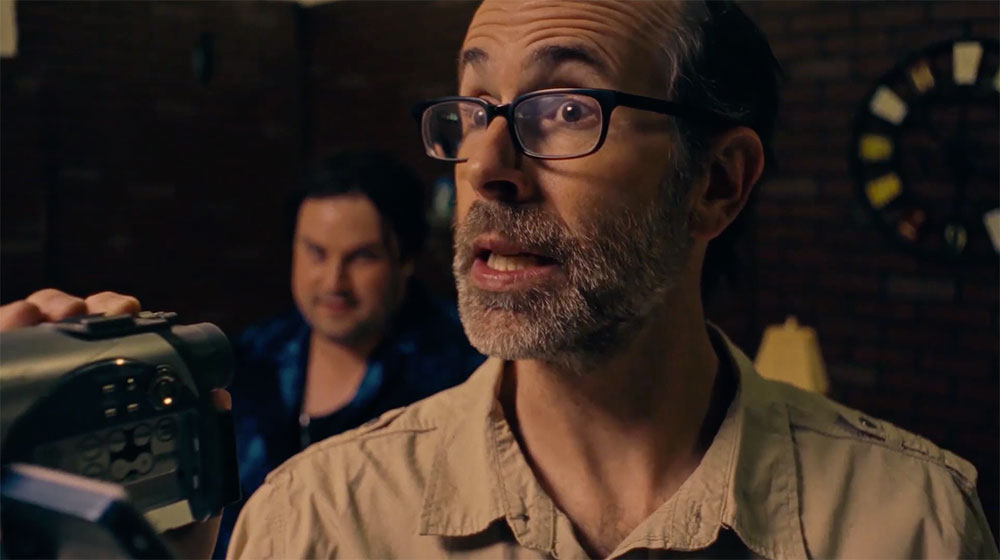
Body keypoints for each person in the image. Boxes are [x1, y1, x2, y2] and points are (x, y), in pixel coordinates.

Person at [1, 1, 995, 558]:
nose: (485, 165)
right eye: (473, 109)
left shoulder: (912, 524)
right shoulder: (315, 522)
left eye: (564, 107)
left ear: (716, 183)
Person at [213, 150, 485, 556]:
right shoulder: (251, 359)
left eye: (361, 257)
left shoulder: (465, 369)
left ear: (405, 259)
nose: (333, 282)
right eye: (316, 253)